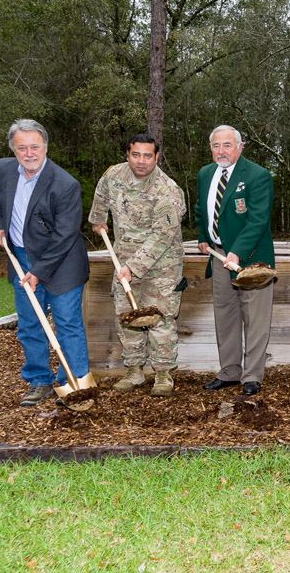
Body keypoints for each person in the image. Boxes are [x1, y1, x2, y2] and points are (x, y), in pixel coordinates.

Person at [0, 119, 90, 407]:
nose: (29, 153)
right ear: (13, 149)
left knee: (67, 323)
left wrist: (37, 272)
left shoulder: (65, 184)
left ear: (45, 146)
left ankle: (75, 383)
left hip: (62, 262)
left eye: (35, 146)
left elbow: (65, 235)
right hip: (20, 255)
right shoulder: (4, 169)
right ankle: (39, 380)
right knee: (31, 323)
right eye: (22, 148)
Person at [88, 133, 186, 397]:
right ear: (127, 154)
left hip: (161, 266)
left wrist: (133, 268)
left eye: (147, 156)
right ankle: (134, 370)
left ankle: (163, 374)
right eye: (135, 155)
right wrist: (98, 219)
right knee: (127, 317)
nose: (141, 161)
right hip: (123, 259)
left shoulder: (168, 190)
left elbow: (162, 236)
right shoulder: (115, 175)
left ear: (156, 157)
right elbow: (101, 191)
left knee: (160, 318)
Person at [195, 125, 276, 396]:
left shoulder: (258, 175)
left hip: (251, 261)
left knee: (255, 318)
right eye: (216, 146)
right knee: (226, 317)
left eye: (227, 145)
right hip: (219, 258)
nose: (222, 151)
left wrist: (238, 252)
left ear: (240, 147)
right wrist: (202, 235)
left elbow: (258, 220)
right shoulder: (206, 174)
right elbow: (201, 209)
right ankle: (229, 371)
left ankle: (252, 375)